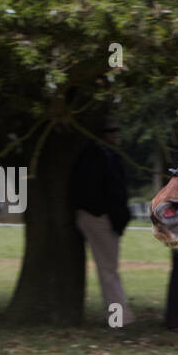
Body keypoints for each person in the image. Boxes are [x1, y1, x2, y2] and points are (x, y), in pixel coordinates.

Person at [71, 119, 135, 326]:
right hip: (100, 218)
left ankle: (119, 316)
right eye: (111, 130)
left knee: (108, 270)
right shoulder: (100, 157)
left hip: (101, 216)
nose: (115, 134)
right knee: (108, 271)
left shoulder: (104, 156)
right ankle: (118, 319)